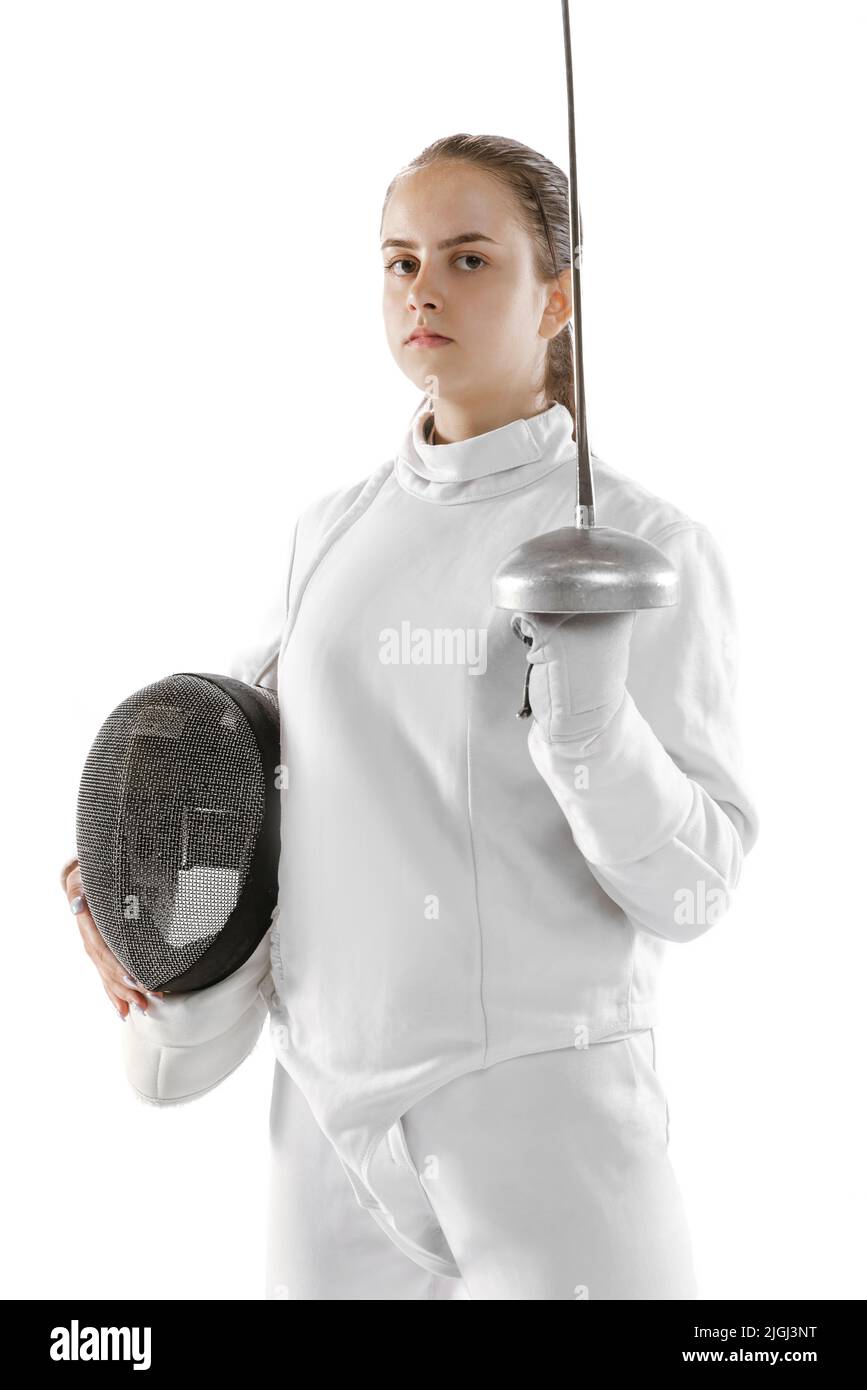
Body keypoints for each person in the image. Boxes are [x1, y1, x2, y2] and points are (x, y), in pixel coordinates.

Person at [61, 133, 759, 1300]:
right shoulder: (329, 533)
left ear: (558, 298)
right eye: (399, 261)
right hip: (329, 1118)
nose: (422, 288)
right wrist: (158, 941)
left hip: (544, 1123)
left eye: (470, 258)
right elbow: (276, 801)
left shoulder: (645, 547)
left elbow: (694, 888)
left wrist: (591, 737)